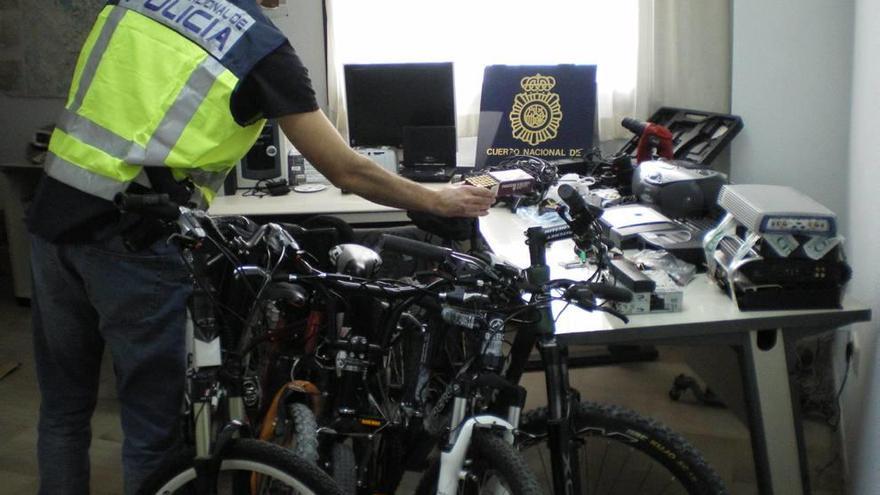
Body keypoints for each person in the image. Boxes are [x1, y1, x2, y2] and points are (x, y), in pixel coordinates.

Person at [25, 0, 495, 493]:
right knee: (152, 426)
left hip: (54, 216)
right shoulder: (259, 48)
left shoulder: (141, 3)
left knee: (62, 409)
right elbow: (345, 170)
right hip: (132, 239)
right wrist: (435, 198)